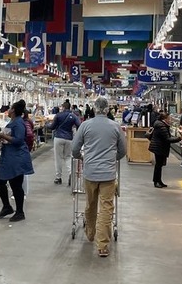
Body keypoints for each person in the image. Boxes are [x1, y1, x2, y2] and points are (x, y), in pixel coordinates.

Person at [71, 97, 126, 258]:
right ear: (108, 109)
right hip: (108, 174)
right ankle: (102, 245)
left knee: (90, 204)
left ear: (94, 109)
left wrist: (82, 158)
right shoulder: (115, 127)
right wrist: (112, 159)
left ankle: (90, 233)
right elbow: (122, 151)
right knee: (106, 208)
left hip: (90, 173)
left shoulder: (85, 125)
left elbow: (75, 149)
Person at [0, 100, 34, 222]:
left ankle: (20, 212)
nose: (9, 110)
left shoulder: (19, 123)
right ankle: (7, 206)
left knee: (16, 185)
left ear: (14, 110)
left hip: (17, 158)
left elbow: (19, 140)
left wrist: (3, 136)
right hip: (8, 156)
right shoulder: (13, 121)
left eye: (10, 108)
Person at [47, 100, 81, 185]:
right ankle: (71, 173)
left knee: (58, 158)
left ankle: (58, 177)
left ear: (63, 107)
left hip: (58, 137)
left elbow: (52, 127)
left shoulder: (58, 115)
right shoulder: (73, 116)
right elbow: (79, 125)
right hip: (69, 138)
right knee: (68, 157)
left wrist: (47, 124)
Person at [148, 112, 182, 188]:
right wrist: (179, 138)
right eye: (169, 118)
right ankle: (156, 182)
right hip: (159, 147)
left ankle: (158, 181)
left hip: (159, 147)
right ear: (165, 119)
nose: (170, 120)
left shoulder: (160, 124)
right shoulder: (161, 126)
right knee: (158, 165)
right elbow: (167, 139)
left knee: (159, 165)